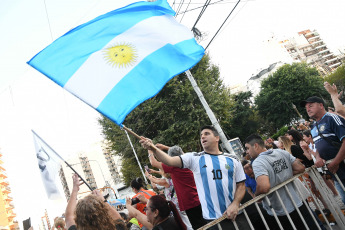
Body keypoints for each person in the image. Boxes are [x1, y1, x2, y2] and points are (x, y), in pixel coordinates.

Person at [140, 125, 249, 230]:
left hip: (236, 215)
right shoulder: (194, 159)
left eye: (207, 133)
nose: (202, 136)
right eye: (201, 135)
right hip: (212, 221)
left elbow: (241, 185)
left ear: (217, 138)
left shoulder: (233, 159)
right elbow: (169, 160)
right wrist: (152, 148)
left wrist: (235, 204)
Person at [244, 134, 321, 230]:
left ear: (255, 145)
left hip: (281, 209)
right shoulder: (281, 152)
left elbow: (264, 187)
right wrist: (284, 174)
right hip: (297, 201)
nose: (247, 152)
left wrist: (257, 195)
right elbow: (300, 168)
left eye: (247, 148)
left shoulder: (258, 162)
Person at [147, 144, 205, 229]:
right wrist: (165, 147)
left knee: (200, 227)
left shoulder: (174, 166)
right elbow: (181, 153)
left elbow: (153, 163)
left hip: (190, 203)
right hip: (198, 198)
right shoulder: (189, 161)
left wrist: (150, 148)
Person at [301, 96, 345, 204]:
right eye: (306, 107)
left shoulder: (331, 118)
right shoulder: (314, 126)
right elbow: (319, 146)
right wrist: (318, 157)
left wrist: (335, 162)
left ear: (321, 105)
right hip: (336, 173)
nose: (308, 109)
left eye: (311, 106)